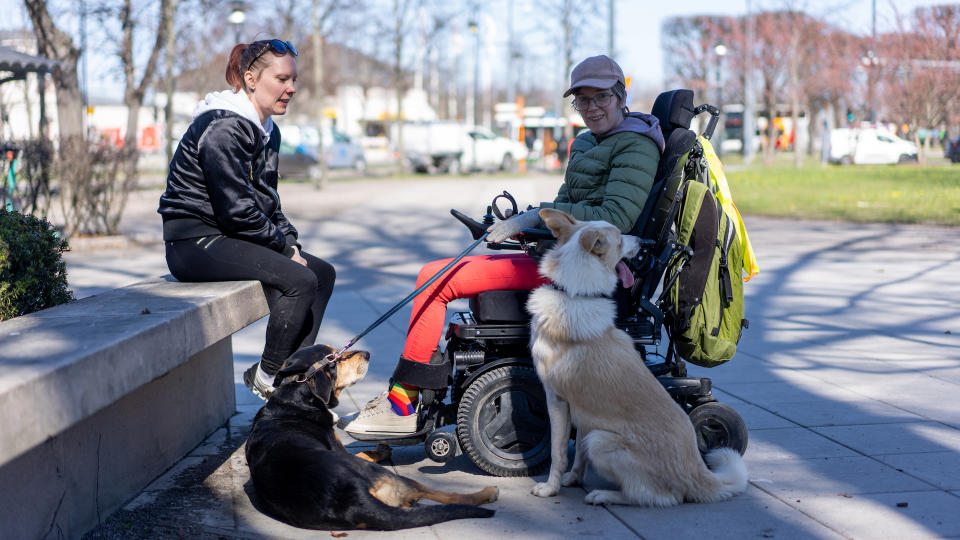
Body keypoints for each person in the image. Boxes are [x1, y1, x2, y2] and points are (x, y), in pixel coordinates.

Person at [339, 54, 664, 437]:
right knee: (440, 274)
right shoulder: (587, 143)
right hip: (562, 256)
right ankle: (406, 396)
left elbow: (617, 217)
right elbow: (566, 204)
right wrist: (526, 222)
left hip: (586, 271)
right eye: (582, 100)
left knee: (434, 277)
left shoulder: (635, 145)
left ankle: (403, 402)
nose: (591, 108)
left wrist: (535, 217)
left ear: (621, 96)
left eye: (601, 98)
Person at [158, 39, 335, 401]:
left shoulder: (268, 130)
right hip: (194, 242)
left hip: (231, 236)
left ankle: (295, 379)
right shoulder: (223, 127)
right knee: (299, 280)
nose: (292, 89)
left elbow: (268, 202)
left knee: (322, 273)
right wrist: (284, 250)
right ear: (251, 78)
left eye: (294, 80)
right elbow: (236, 210)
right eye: (283, 79)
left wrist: (291, 241)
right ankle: (270, 378)